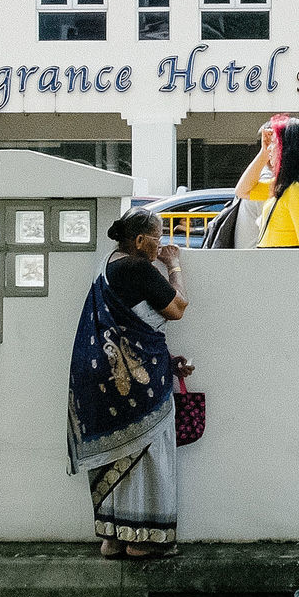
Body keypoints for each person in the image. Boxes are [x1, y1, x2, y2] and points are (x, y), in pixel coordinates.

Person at [67, 210, 188, 559]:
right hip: (137, 381)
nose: (162, 244)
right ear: (139, 241)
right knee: (148, 450)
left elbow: (130, 326)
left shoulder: (108, 264)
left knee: (118, 451)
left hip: (104, 375)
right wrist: (175, 266)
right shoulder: (138, 268)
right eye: (158, 237)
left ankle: (113, 537)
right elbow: (178, 307)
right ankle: (142, 540)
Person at [234, 114, 299, 247]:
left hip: (282, 264)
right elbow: (242, 191)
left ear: (288, 150)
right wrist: (262, 154)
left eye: (274, 143)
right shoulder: (283, 185)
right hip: (274, 262)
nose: (270, 149)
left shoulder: (298, 189)